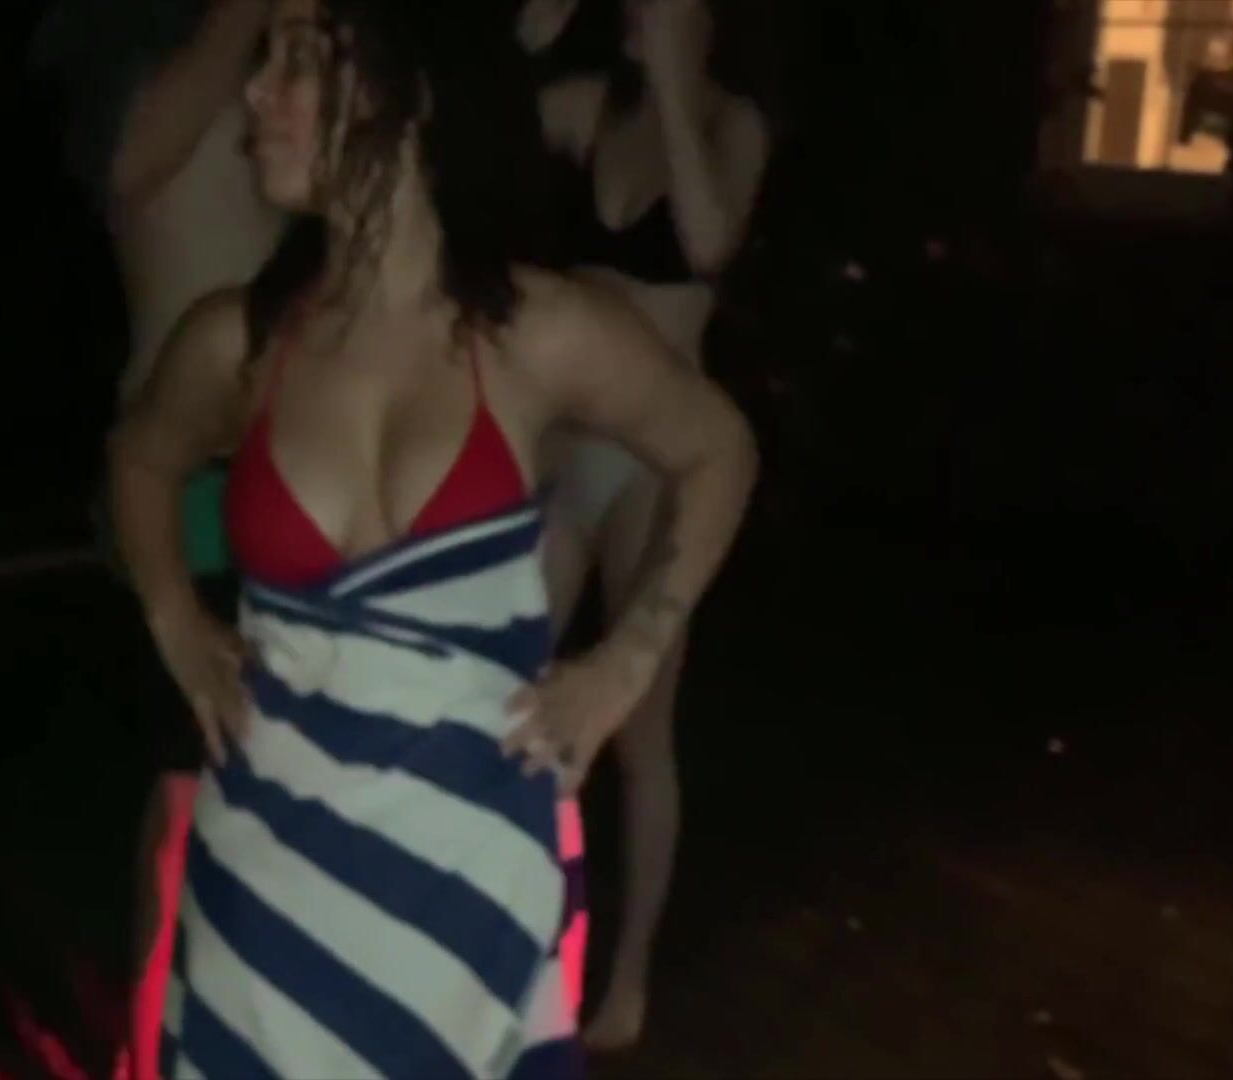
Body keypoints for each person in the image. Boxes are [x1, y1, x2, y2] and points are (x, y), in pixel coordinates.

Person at [109, 0, 757, 1073]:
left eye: (298, 61)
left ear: (404, 93)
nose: (256, 94)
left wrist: (624, 665)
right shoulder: (239, 343)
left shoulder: (532, 332)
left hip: (470, 883)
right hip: (269, 880)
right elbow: (139, 459)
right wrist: (175, 618)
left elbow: (719, 448)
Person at [30, 3, 283, 1077]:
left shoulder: (289, 55)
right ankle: (145, 1059)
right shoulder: (129, 34)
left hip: (288, 465)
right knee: (185, 792)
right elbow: (131, 167)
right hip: (179, 481)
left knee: (267, 791)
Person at [516, 0, 770, 1050]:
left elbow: (709, 240)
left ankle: (627, 980)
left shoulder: (729, 125)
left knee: (640, 730)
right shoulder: (587, 107)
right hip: (565, 448)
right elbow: (485, 112)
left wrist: (670, 77)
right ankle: (512, 930)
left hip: (660, 463)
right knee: (511, 690)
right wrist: (538, 27)